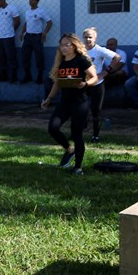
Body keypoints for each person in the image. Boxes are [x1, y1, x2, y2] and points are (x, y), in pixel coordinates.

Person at [40, 33, 98, 175]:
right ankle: (69, 150)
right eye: (62, 45)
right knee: (53, 127)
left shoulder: (81, 61)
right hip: (65, 102)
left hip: (80, 102)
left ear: (74, 46)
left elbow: (94, 77)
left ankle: (78, 167)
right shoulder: (61, 62)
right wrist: (49, 99)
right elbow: (57, 83)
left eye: (67, 44)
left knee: (76, 134)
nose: (64, 47)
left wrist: (85, 84)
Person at [82, 27, 120, 143]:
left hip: (97, 83)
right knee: (80, 108)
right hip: (83, 83)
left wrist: (105, 72)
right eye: (86, 37)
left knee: (96, 110)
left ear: (95, 38)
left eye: (90, 37)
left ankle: (95, 135)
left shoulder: (99, 50)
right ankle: (78, 131)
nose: (88, 39)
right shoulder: (80, 50)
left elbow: (117, 57)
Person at [19, 0, 53, 83]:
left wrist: (44, 33)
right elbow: (26, 23)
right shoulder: (27, 12)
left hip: (37, 37)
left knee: (39, 57)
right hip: (28, 37)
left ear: (37, 1)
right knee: (25, 56)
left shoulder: (41, 11)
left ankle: (39, 76)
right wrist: (22, 33)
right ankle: (27, 75)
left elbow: (49, 22)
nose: (30, 1)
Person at [0, 0, 21, 82]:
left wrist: (12, 31)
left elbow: (17, 21)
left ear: (2, 0)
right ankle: (3, 76)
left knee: (11, 56)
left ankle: (13, 77)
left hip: (8, 37)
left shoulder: (12, 8)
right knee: (1, 57)